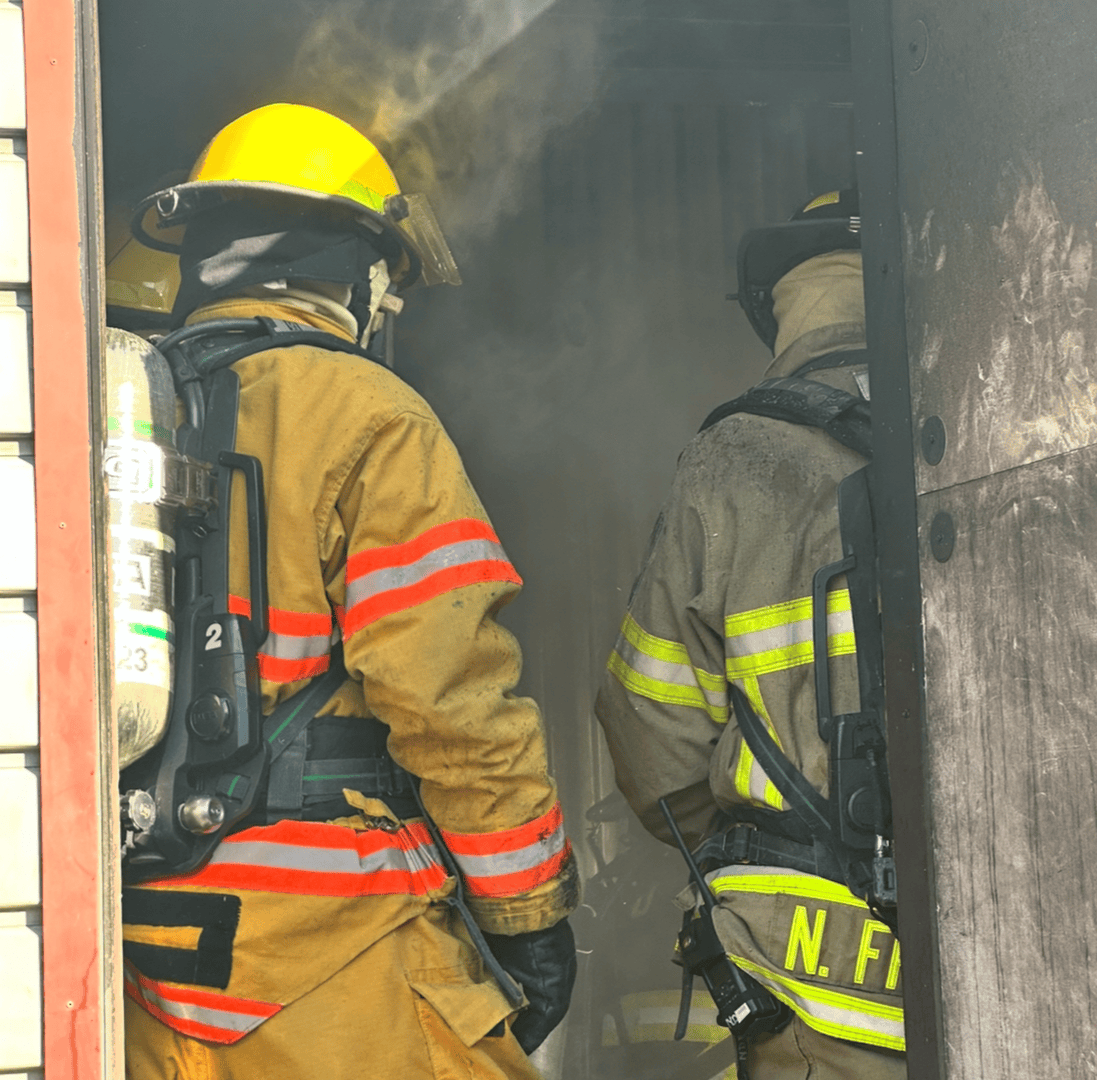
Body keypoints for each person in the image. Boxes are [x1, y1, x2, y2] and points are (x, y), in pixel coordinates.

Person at [118, 102, 579, 1080]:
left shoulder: (102, 414)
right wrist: (527, 911)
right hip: (331, 948)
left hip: (136, 955)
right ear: (354, 272)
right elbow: (450, 701)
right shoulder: (370, 414)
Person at [595, 190, 906, 1079]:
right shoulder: (1018, 417)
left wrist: (749, 843)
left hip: (810, 984)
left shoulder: (735, 459)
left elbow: (649, 729)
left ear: (779, 306)